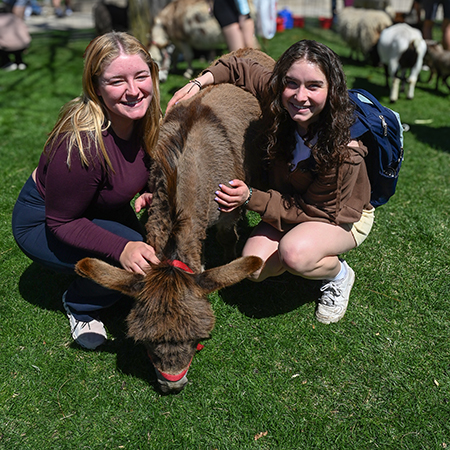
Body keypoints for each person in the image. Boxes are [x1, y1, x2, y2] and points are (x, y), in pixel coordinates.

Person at [167, 40, 374, 324]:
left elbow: (315, 211)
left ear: (332, 89)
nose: (300, 96)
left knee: (295, 254)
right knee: (253, 268)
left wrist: (252, 198)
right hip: (288, 203)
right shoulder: (283, 100)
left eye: (314, 86)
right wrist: (196, 84)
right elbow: (238, 65)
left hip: (335, 215)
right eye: (292, 83)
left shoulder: (343, 151)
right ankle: (304, 256)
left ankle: (337, 274)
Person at [12, 32, 161, 349]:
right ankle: (81, 304)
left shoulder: (147, 118)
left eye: (141, 76)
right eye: (116, 81)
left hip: (96, 207)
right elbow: (61, 221)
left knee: (149, 257)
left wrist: (148, 188)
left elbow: (138, 163)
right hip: (45, 222)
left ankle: (109, 286)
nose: (133, 91)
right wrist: (122, 250)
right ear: (95, 87)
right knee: (132, 254)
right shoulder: (82, 143)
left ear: (153, 75)